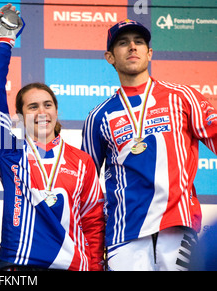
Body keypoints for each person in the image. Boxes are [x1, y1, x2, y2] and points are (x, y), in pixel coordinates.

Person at [81, 19, 217, 270]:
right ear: (110, 57)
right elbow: (85, 186)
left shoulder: (183, 97)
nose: (132, 47)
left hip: (178, 226)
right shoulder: (98, 117)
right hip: (124, 235)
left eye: (139, 42)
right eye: (123, 43)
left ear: (149, 53)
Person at [0, 4, 105, 271]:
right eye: (33, 106)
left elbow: (93, 222)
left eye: (47, 105)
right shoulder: (9, 152)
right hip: (17, 264)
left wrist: (95, 268)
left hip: (72, 266)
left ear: (56, 110)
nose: (42, 112)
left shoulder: (81, 162)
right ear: (19, 115)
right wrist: (5, 40)